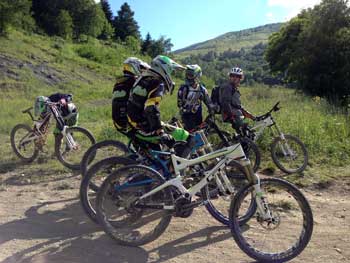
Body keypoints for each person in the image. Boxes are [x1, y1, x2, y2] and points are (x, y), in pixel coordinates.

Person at [127, 55, 193, 155]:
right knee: (185, 136)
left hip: (134, 121)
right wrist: (160, 131)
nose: (170, 75)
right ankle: (175, 167)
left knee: (168, 136)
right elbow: (151, 107)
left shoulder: (143, 79)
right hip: (144, 126)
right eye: (170, 71)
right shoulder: (158, 83)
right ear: (164, 68)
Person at [112, 57, 150, 135]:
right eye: (140, 67)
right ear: (134, 67)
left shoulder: (119, 82)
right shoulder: (135, 81)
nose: (141, 70)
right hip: (130, 121)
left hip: (117, 121)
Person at [219, 67, 256, 135]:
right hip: (230, 115)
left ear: (240, 78)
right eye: (232, 75)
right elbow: (225, 103)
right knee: (245, 134)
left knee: (247, 132)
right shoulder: (228, 87)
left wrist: (251, 116)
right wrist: (232, 118)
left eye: (237, 76)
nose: (235, 78)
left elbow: (237, 105)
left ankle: (238, 142)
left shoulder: (234, 88)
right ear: (230, 77)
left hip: (236, 114)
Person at [177, 64, 214, 131]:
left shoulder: (202, 89)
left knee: (199, 136)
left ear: (197, 76)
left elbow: (208, 102)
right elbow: (179, 104)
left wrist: (212, 110)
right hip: (186, 118)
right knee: (189, 136)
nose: (188, 77)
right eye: (187, 75)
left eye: (191, 75)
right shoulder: (183, 88)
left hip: (198, 117)